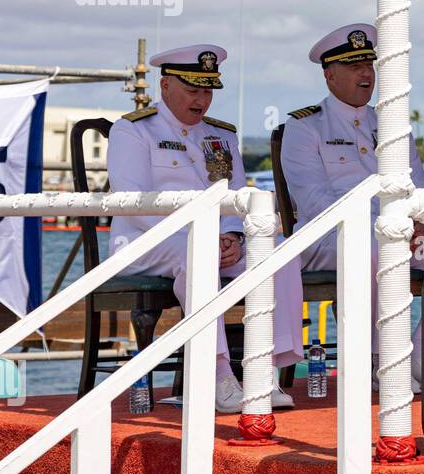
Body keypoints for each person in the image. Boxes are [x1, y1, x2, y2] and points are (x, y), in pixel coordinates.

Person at [279, 23, 424, 387]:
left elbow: (419, 188)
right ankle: (381, 361)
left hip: (403, 234)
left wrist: (419, 222)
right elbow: (315, 202)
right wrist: (389, 227)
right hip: (329, 239)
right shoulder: (305, 127)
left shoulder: (392, 126)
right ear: (330, 76)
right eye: (354, 67)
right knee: (377, 249)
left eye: (369, 65)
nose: (366, 74)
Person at [107, 44, 304, 413]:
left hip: (217, 242)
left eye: (208, 91)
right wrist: (202, 239)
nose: (202, 100)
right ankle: (218, 375)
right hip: (145, 240)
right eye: (193, 90)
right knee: (195, 254)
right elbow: (133, 203)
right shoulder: (133, 130)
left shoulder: (222, 135)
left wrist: (234, 236)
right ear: (165, 86)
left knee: (281, 255)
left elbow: (236, 196)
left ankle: (266, 371)